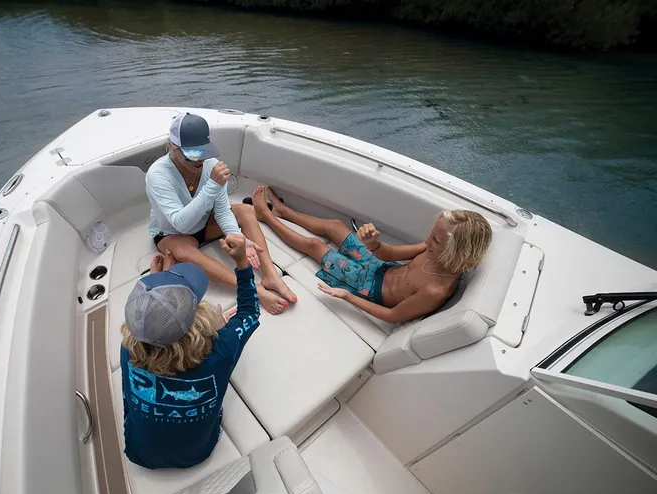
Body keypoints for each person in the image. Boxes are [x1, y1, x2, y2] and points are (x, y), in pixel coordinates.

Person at [250, 186, 492, 324]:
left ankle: (265, 216)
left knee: (315, 245)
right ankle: (284, 211)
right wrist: (374, 243)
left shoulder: (435, 290)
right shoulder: (431, 251)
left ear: (455, 252)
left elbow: (393, 316)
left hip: (367, 286)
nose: (427, 241)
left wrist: (348, 297)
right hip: (381, 267)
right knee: (335, 226)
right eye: (431, 234)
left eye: (436, 240)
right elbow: (390, 254)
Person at [119, 233, 260, 469]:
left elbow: (148, 327)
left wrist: (155, 289)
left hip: (138, 452)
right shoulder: (222, 348)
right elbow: (250, 311)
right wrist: (242, 262)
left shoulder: (128, 348)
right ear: (197, 322)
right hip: (199, 453)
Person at [146, 112, 296, 315]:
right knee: (182, 252)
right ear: (173, 147)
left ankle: (270, 275)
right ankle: (252, 288)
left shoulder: (211, 164)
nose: (200, 159)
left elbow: (223, 210)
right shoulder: (158, 174)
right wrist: (212, 185)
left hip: (204, 223)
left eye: (204, 151)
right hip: (173, 233)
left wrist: (238, 237)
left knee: (245, 210)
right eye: (193, 154)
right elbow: (181, 223)